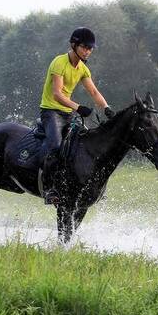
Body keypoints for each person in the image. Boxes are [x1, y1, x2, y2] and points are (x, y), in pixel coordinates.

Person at [39, 27, 114, 204]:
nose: (88, 51)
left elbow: (94, 92)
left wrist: (106, 108)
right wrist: (78, 107)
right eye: (85, 47)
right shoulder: (59, 62)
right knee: (56, 147)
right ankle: (49, 189)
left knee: (85, 146)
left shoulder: (82, 69)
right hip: (51, 112)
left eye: (90, 48)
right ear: (74, 45)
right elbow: (57, 94)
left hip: (67, 114)